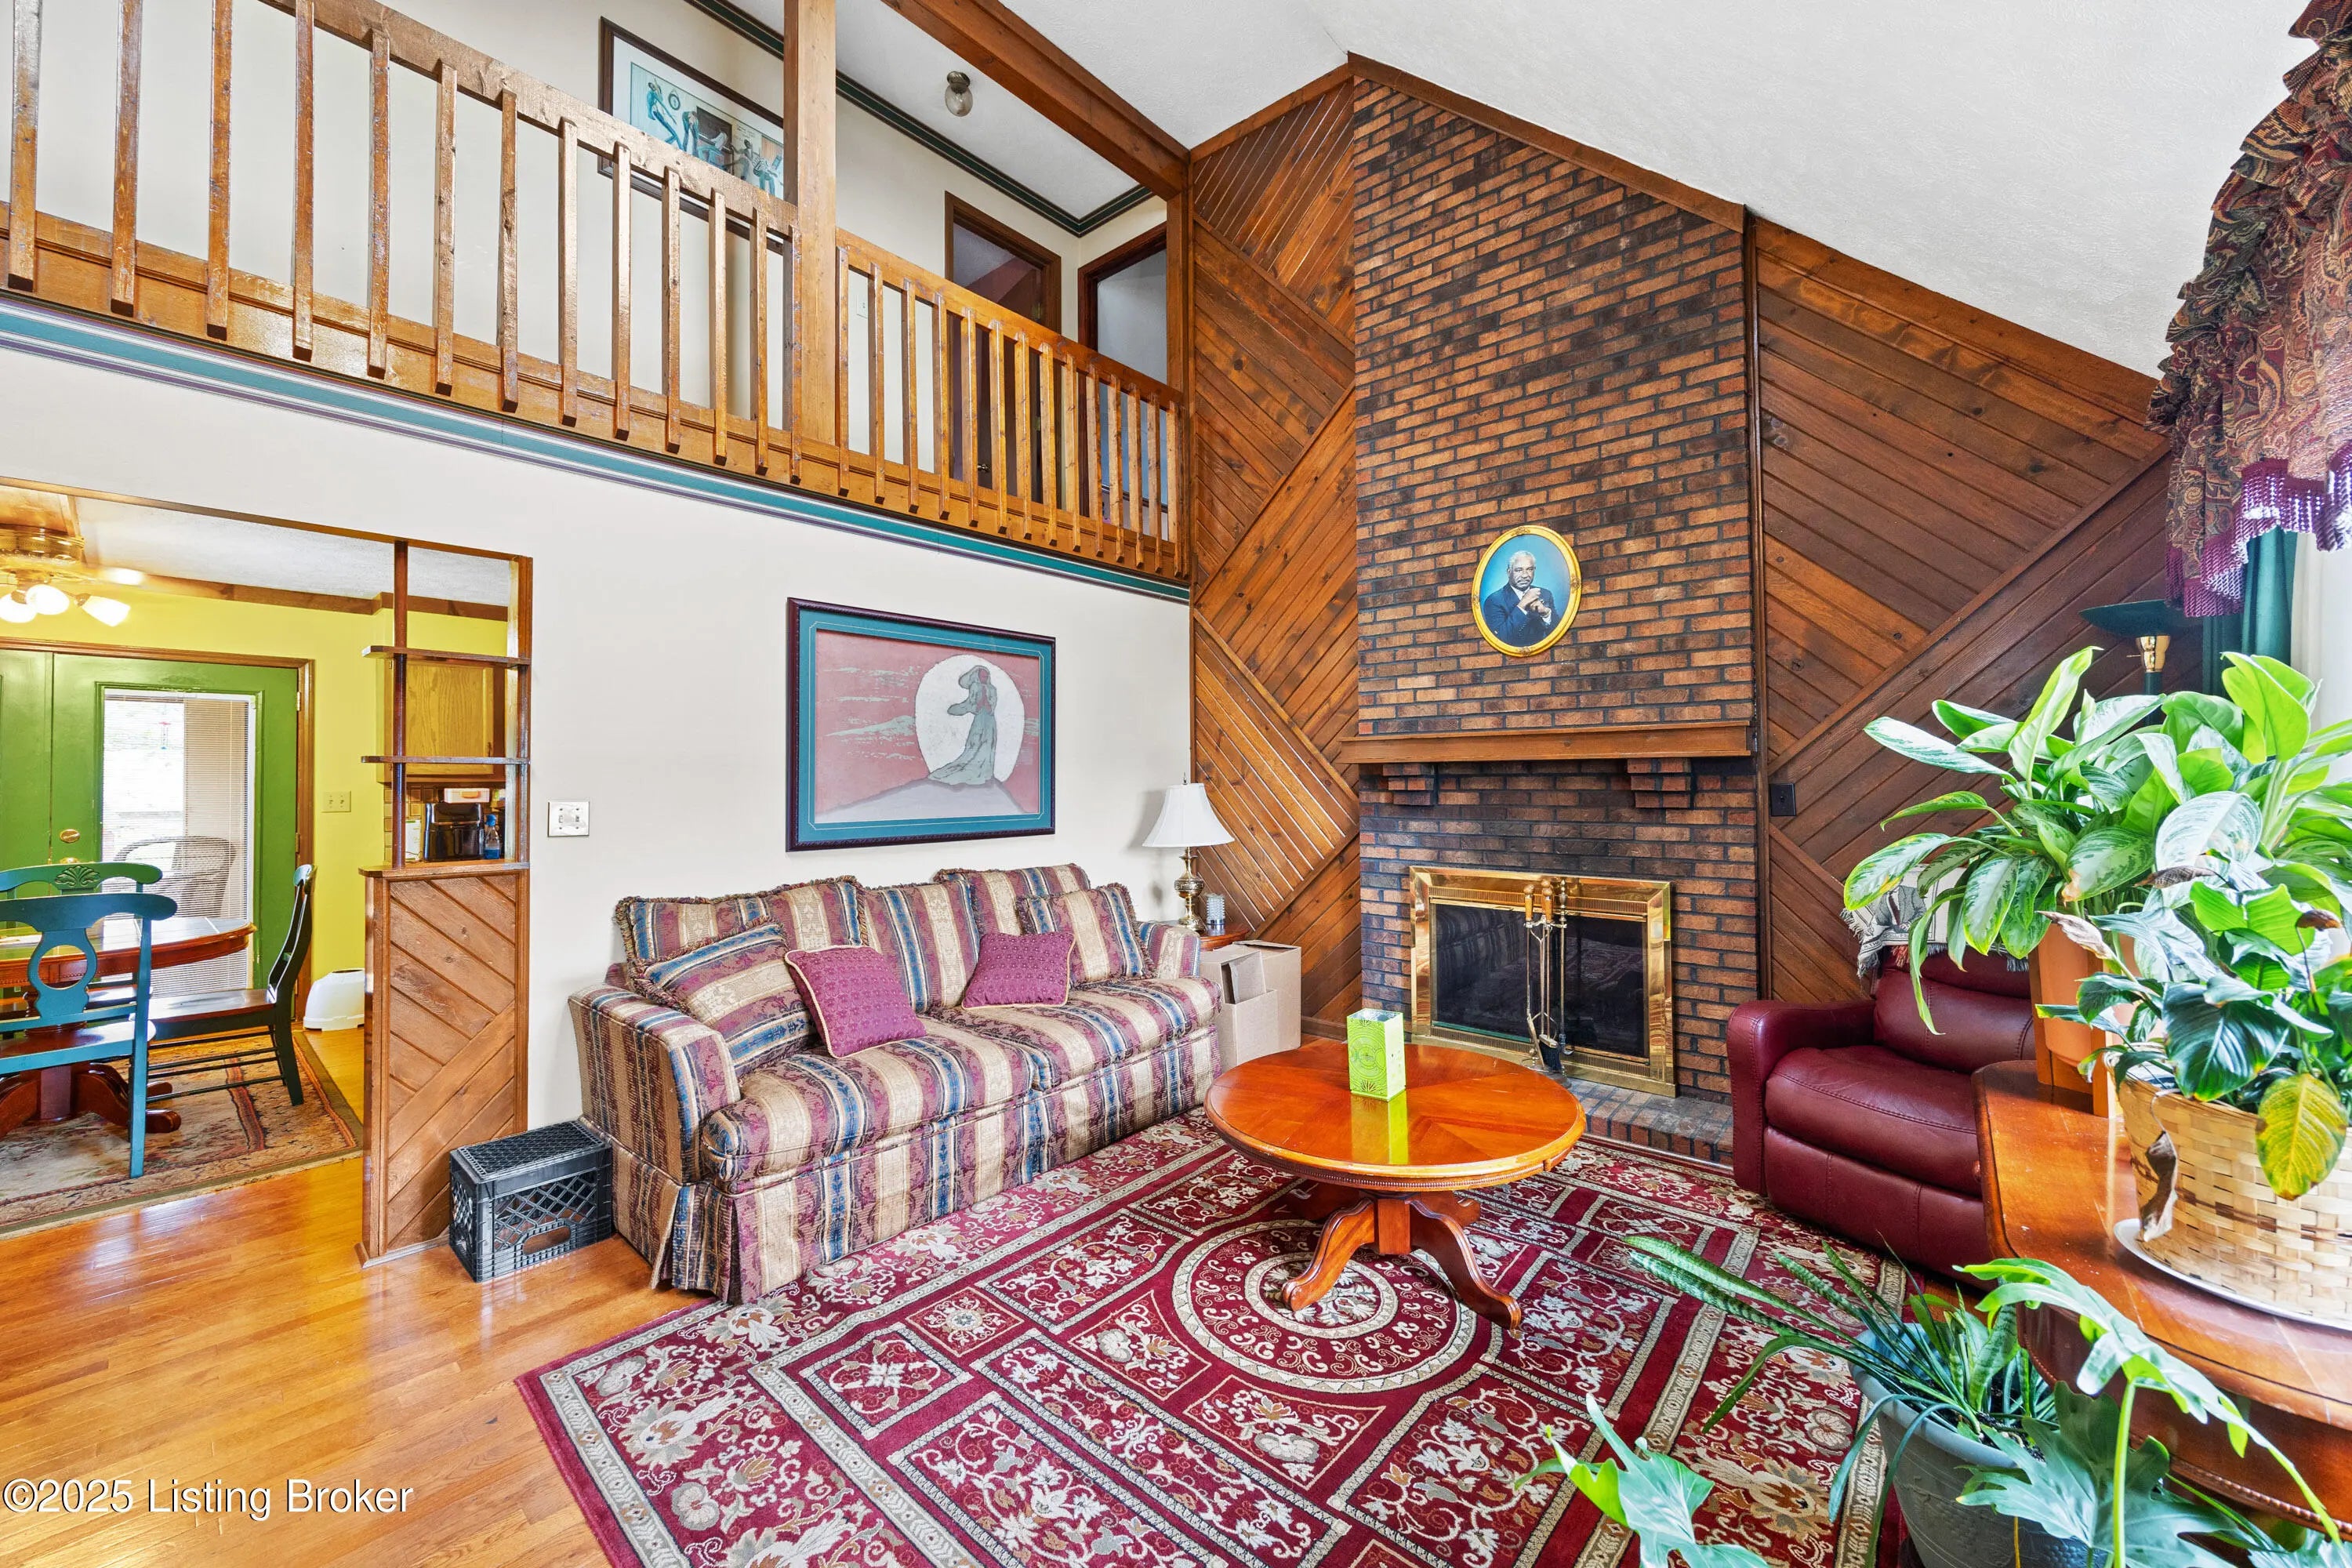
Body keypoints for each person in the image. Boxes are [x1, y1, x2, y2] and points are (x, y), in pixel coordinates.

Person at [929, 664, 1000, 786]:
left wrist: (986, 699)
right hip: (979, 718)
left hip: (989, 720)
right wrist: (976, 703)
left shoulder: (992, 689)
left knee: (988, 743)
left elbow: (991, 706)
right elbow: (972, 704)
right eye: (982, 676)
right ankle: (971, 769)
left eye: (986, 676)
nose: (984, 678)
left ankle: (985, 771)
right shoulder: (975, 687)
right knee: (975, 741)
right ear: (977, 676)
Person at [1480, 549, 1556, 647]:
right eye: (1519, 570)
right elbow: (1500, 640)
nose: (1525, 575)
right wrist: (1522, 604)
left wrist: (1546, 614)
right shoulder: (1494, 600)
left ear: (1534, 570)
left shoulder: (1545, 594)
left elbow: (1559, 633)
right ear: (1509, 572)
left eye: (1529, 569)